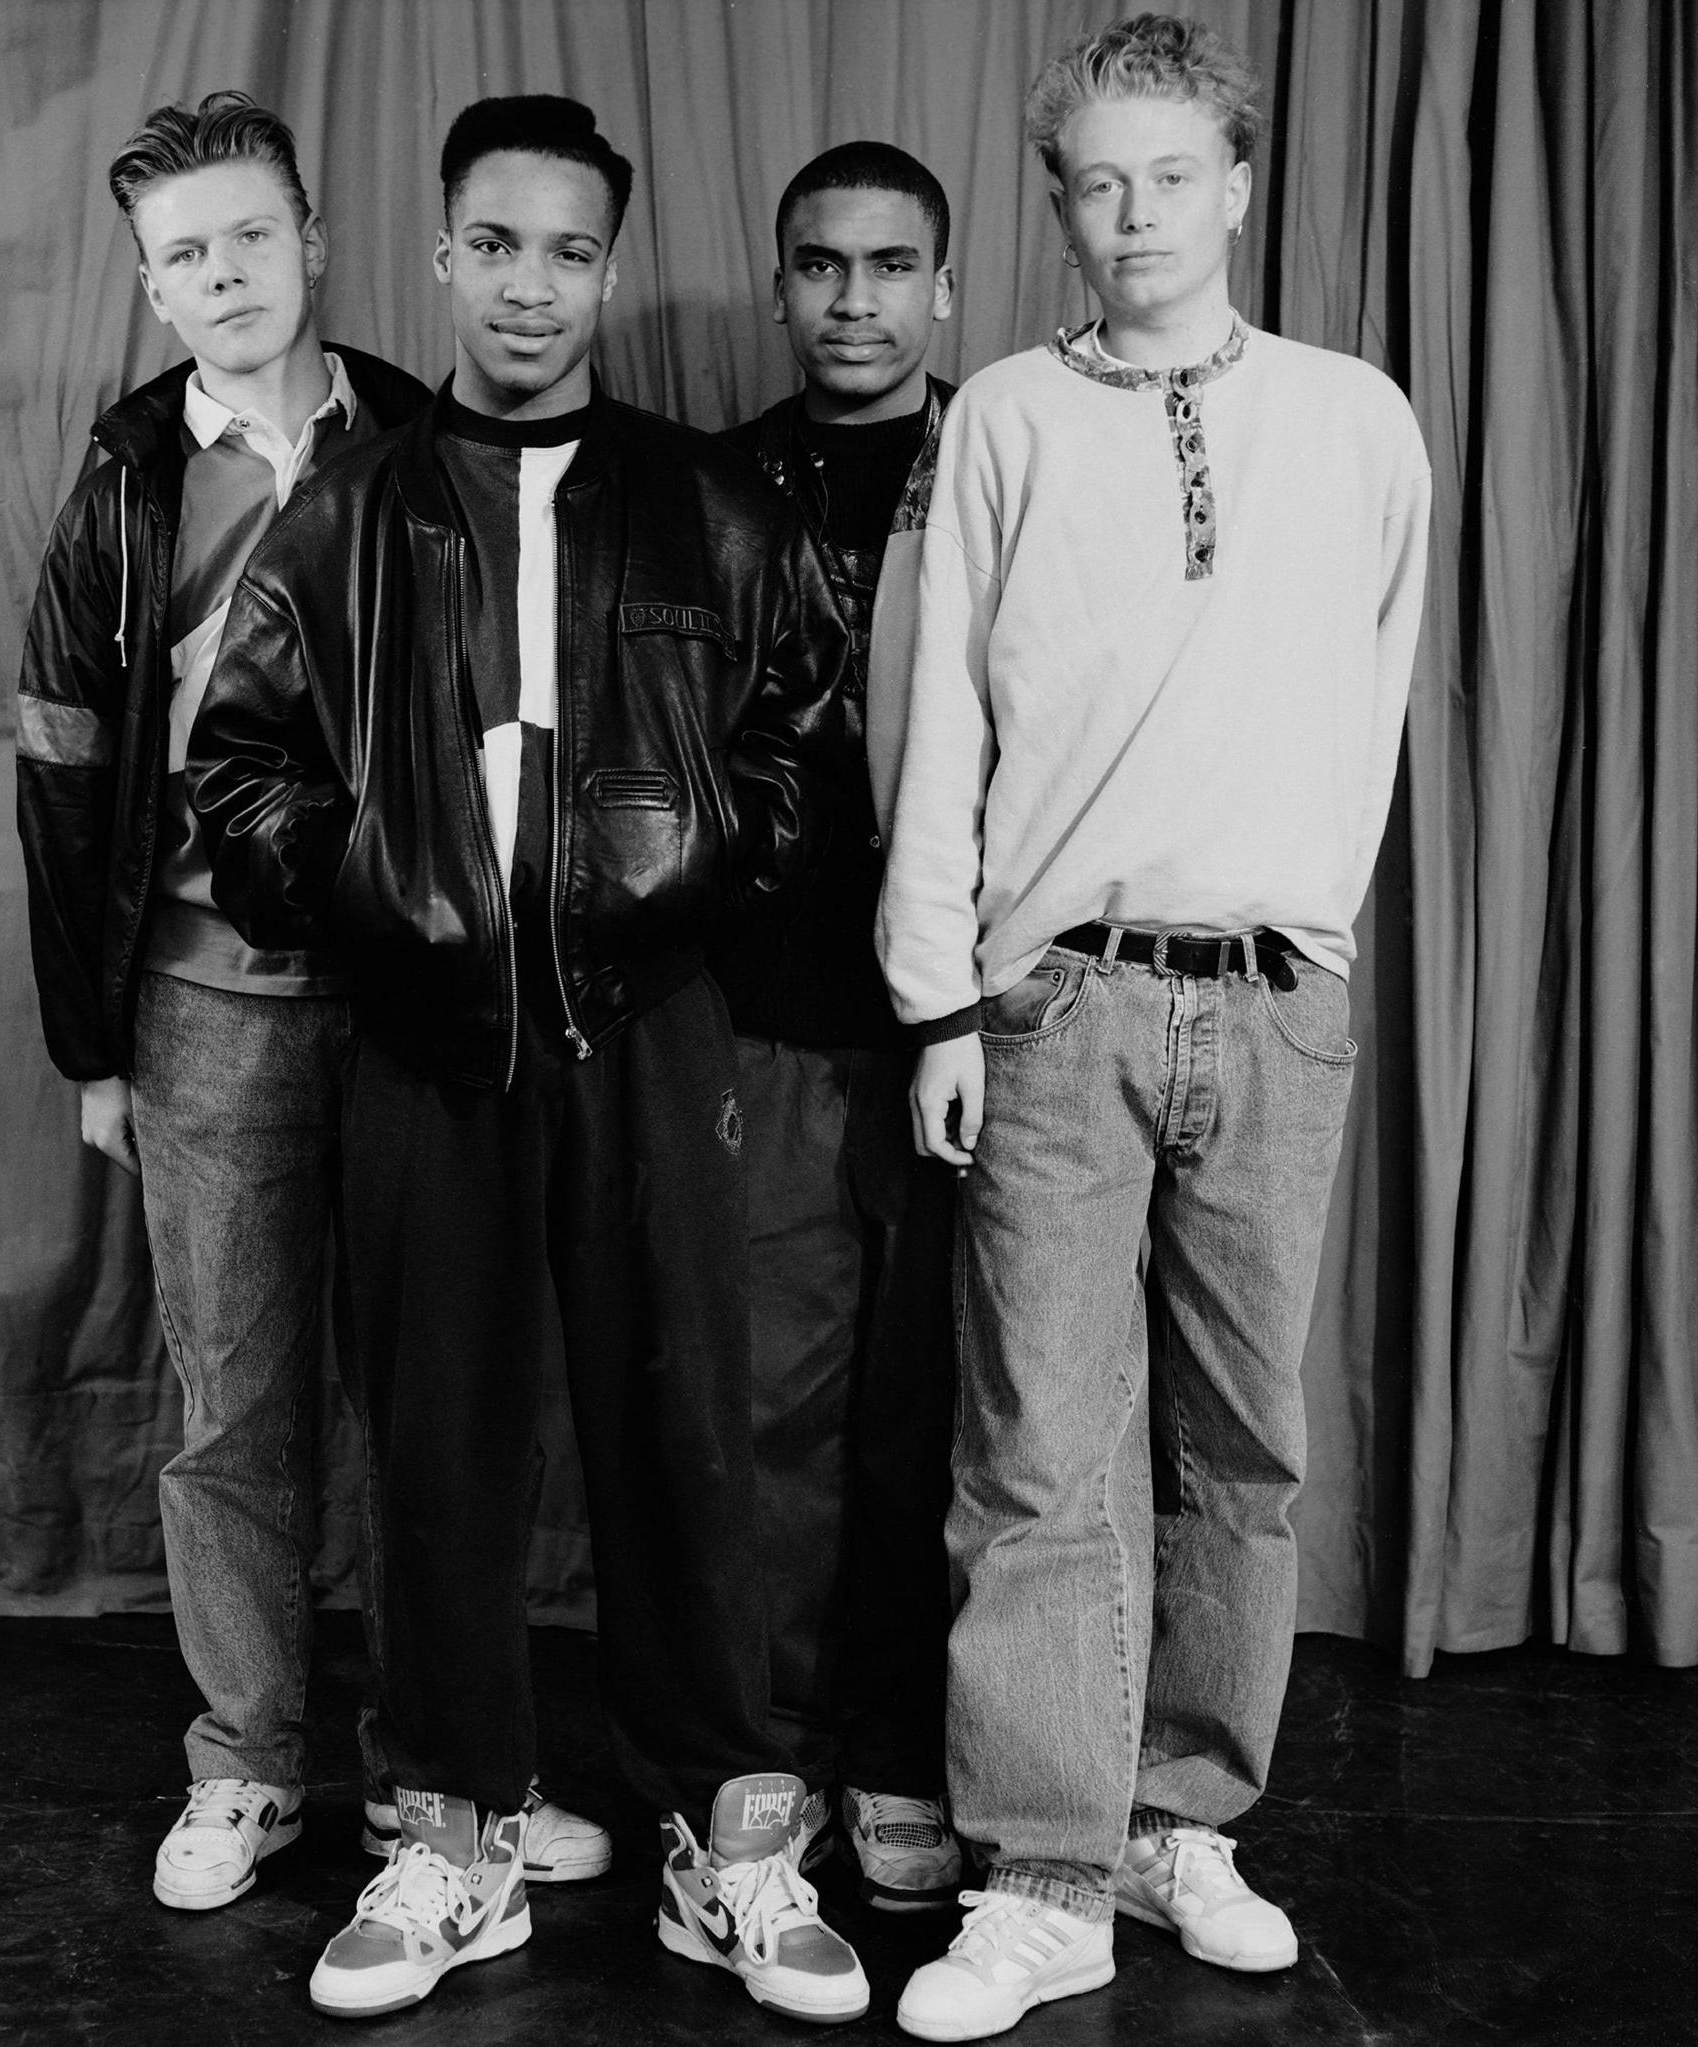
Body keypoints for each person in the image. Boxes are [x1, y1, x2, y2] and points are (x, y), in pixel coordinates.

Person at [188, 95, 868, 2024]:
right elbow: (235, 766)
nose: (531, 287)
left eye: (571, 250)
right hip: (424, 1042)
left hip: (654, 1034)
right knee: (445, 1441)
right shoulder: (348, 509)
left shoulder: (713, 505)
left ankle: (724, 1837)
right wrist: (384, 885)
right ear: (438, 258)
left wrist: (679, 866)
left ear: (611, 268)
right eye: (496, 245)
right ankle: (450, 1836)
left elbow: (802, 752)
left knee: (683, 1437)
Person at [871, 17, 1431, 2038]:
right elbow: (944, 715)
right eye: (1096, 183)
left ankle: (1181, 1817)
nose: (1132, 217)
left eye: (1169, 176)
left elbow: (1368, 697)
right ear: (1059, 203)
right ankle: (1039, 1874)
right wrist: (939, 993)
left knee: (1243, 1446)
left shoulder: (1357, 420)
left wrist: (1317, 937)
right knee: (1034, 1445)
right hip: (1055, 999)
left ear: (1234, 182)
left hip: (1273, 1005)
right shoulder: (1006, 418)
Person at [13, 89, 606, 1920]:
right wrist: (92, 1042)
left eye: (250, 237)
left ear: (317, 246)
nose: (224, 276)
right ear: (150, 287)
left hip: (423, 986)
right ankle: (248, 1764)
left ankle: (451, 1788)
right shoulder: (125, 478)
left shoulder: (435, 443)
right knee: (236, 1400)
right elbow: (59, 764)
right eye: (184, 255)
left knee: (444, 1402)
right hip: (207, 1006)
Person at [713, 141, 963, 1912]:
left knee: (943, 1418)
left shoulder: (1016, 456)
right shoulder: (713, 486)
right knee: (776, 1412)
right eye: (825, 266)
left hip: (976, 1022)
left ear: (943, 285)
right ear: (782, 284)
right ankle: (785, 1752)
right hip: (777, 1025)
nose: (856, 300)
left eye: (891, 267)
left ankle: (908, 1751)